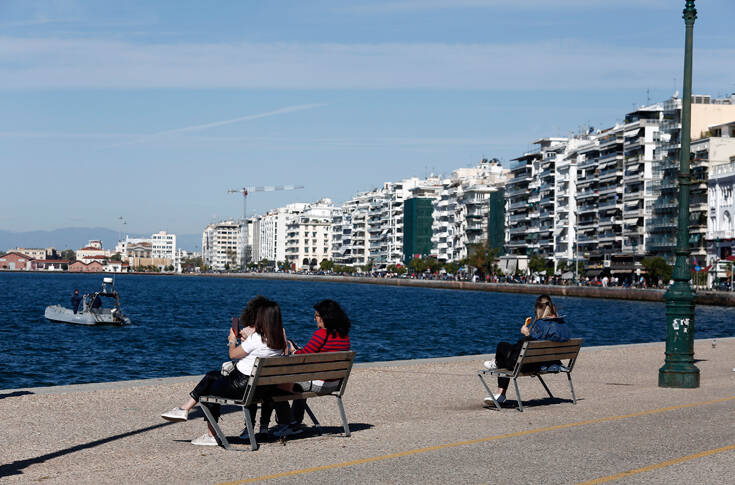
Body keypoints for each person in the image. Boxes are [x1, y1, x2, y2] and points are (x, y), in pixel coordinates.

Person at [160, 297, 292, 446]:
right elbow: (271, 353)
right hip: (262, 389)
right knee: (212, 377)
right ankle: (184, 409)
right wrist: (246, 341)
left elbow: (233, 355)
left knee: (210, 382)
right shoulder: (280, 337)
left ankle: (208, 432)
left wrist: (232, 341)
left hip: (241, 386)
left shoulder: (256, 338)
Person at [482, 294, 570, 406]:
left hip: (530, 365)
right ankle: (497, 372)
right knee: (510, 348)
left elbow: (531, 343)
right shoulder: (562, 324)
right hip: (547, 362)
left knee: (502, 346)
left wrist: (526, 333)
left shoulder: (542, 324)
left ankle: (500, 389)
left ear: (538, 308)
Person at [284, 299, 351, 434]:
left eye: (316, 316)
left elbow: (302, 356)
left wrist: (293, 350)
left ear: (325, 317)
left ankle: (288, 422)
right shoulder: (344, 336)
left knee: (283, 384)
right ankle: (295, 420)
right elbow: (315, 352)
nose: (315, 319)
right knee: (301, 383)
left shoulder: (321, 334)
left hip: (321, 384)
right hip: (335, 384)